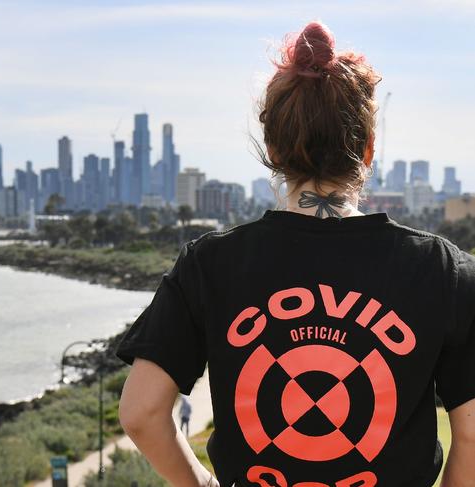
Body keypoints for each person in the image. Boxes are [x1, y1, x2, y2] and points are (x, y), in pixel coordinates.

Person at [115, 20, 475, 487]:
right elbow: (470, 437)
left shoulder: (210, 265)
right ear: (367, 150)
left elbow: (141, 413)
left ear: (272, 149)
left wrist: (201, 484)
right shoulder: (444, 273)